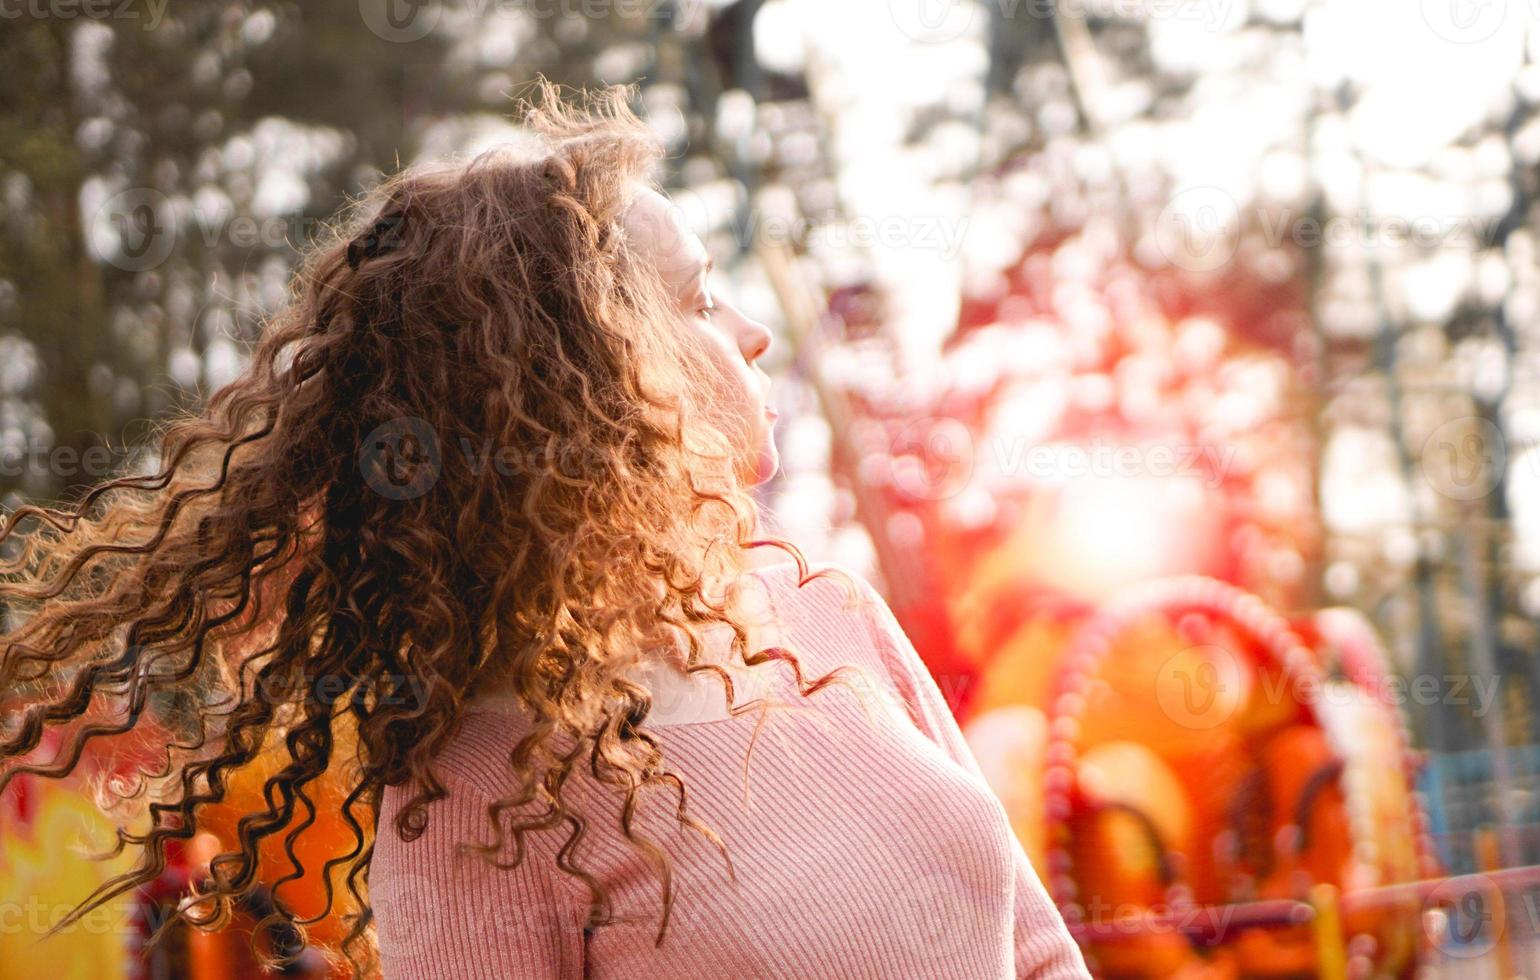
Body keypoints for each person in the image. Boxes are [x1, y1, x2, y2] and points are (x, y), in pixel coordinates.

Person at [0, 81, 1091, 979]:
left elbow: (1038, 947)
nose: (755, 335)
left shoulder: (826, 608)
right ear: (586, 382)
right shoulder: (473, 800)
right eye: (700, 302)